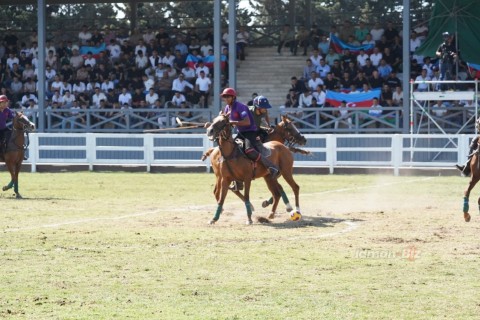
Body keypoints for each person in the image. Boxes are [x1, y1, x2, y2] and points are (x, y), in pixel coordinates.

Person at [220, 87, 279, 177]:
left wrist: (233, 122)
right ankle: (237, 177)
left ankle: (271, 166)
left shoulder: (240, 107)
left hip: (250, 131)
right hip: (241, 132)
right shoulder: (227, 108)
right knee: (233, 149)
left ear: (233, 97)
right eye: (225, 97)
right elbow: (225, 120)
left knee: (249, 150)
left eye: (228, 97)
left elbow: (247, 122)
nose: (226, 99)